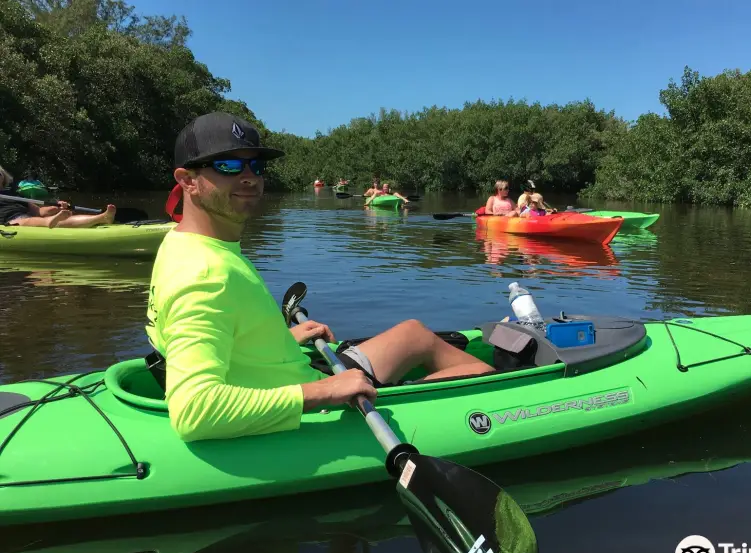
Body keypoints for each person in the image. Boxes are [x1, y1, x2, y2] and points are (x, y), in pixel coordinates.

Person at [145, 112, 493, 442]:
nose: (248, 176)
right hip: (313, 403)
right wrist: (327, 390)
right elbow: (195, 412)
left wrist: (279, 338)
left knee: (415, 334)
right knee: (484, 381)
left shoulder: (187, 243)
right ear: (187, 181)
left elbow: (220, 322)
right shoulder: (204, 273)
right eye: (228, 165)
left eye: (256, 165)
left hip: (288, 373)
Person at [0, 165, 116, 228]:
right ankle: (50, 222)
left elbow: (38, 211)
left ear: (3, 178)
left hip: (27, 216)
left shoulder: (14, 194)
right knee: (29, 220)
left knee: (57, 216)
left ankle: (101, 218)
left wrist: (57, 208)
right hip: (10, 221)